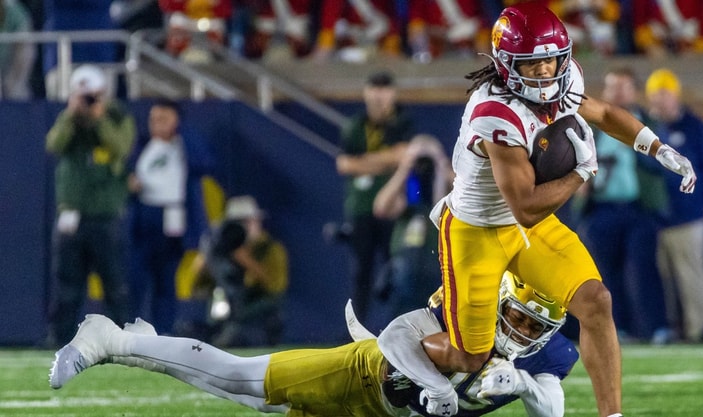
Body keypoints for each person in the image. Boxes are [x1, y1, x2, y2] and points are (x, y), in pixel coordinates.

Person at [425, 4, 696, 417]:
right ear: (506, 64)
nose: (545, 70)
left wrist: (657, 148)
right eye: (532, 63)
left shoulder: (564, 81)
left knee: (596, 300)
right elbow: (526, 208)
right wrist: (581, 173)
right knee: (468, 357)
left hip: (524, 228)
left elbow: (604, 113)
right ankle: (396, 356)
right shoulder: (495, 113)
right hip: (476, 229)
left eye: (551, 59)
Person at [49, 273, 578, 417]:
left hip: (385, 415)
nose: (523, 332)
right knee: (239, 379)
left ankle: (144, 343)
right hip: (364, 376)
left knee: (249, 396)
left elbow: (552, 406)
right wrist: (437, 385)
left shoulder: (545, 354)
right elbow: (395, 337)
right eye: (518, 317)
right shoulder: (469, 307)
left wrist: (522, 382)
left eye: (536, 328)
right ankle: (109, 337)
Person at [44, 64, 136, 347]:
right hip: (72, 215)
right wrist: (71, 115)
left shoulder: (117, 116)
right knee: (67, 285)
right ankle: (59, 338)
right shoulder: (69, 120)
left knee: (114, 284)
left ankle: (123, 339)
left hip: (105, 215)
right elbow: (53, 145)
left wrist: (99, 118)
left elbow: (121, 147)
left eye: (92, 96)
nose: (87, 101)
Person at [577, 66, 670, 344]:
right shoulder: (591, 126)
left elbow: (662, 164)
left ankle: (656, 327)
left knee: (644, 269)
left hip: (638, 207)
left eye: (623, 87)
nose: (617, 93)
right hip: (601, 207)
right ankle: (618, 329)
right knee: (606, 273)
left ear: (634, 91)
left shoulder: (648, 123)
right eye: (612, 86)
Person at [126, 98, 214, 335]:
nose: (157, 124)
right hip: (144, 217)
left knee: (165, 279)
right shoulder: (143, 144)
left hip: (172, 218)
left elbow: (205, 163)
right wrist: (129, 184)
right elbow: (126, 170)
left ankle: (163, 331)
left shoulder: (184, 145)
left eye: (164, 119)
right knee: (134, 277)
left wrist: (181, 131)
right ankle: (130, 330)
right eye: (154, 119)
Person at [334, 70, 413, 325]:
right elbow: (344, 164)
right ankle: (356, 329)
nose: (379, 96)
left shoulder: (402, 122)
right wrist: (386, 160)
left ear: (393, 93)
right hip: (361, 208)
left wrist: (364, 162)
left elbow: (404, 155)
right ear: (366, 92)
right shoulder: (356, 125)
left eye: (384, 89)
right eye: (375, 89)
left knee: (396, 270)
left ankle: (399, 327)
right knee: (361, 273)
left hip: (394, 208)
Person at [645, 68, 703, 343]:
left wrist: (697, 204)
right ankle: (668, 329)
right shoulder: (648, 129)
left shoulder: (693, 126)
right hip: (655, 217)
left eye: (664, 94)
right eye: (655, 94)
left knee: (691, 275)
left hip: (687, 216)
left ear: (675, 95)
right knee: (660, 279)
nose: (660, 100)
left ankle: (699, 329)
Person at [372, 134, 453, 320]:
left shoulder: (447, 193)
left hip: (436, 271)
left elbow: (443, 208)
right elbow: (381, 208)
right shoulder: (405, 197)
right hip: (403, 273)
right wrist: (404, 168)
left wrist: (441, 167)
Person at [198, 195, 289, 347]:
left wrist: (245, 260)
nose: (243, 228)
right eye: (238, 223)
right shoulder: (221, 247)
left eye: (247, 222)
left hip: (255, 301)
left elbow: (276, 287)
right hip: (227, 299)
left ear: (257, 222)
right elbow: (198, 287)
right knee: (217, 301)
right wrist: (207, 258)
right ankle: (218, 338)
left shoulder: (271, 248)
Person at [0, 0, 35, 99]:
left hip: (15, 72)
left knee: (18, 93)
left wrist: (12, 82)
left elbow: (25, 50)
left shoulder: (15, 11)